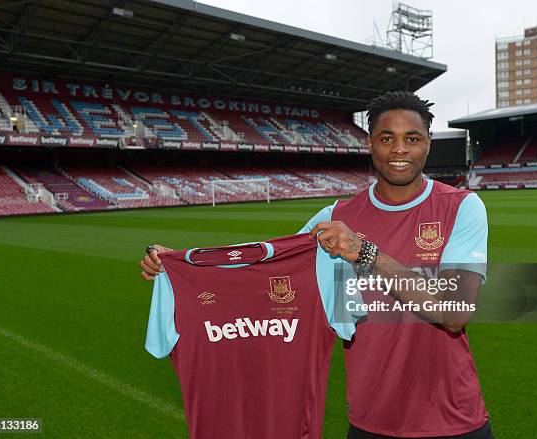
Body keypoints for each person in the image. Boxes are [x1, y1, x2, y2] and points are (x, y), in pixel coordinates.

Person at [139, 91, 493, 439]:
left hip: (455, 420)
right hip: (371, 421)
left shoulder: (462, 207)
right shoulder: (334, 218)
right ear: (370, 143)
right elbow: (267, 273)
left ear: (428, 143)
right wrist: (183, 265)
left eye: (412, 138)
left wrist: (363, 252)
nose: (399, 149)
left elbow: (454, 312)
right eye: (387, 138)